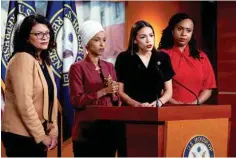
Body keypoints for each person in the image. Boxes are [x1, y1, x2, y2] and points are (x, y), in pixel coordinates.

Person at [1, 14, 58, 157]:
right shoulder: (22, 58)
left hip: (36, 133)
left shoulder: (43, 61)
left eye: (47, 33)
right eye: (39, 34)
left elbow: (51, 98)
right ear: (26, 37)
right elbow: (24, 104)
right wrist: (41, 135)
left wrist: (53, 129)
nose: (45, 37)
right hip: (21, 136)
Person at [69, 20, 120, 157]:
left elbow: (116, 100)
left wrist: (115, 92)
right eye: (97, 40)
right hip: (87, 131)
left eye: (104, 40)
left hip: (109, 129)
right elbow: (76, 101)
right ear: (87, 43)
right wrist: (103, 91)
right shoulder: (77, 68)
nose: (102, 44)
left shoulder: (109, 67)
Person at [158, 13, 216, 105]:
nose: (184, 34)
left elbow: (208, 88)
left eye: (188, 31)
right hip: (167, 110)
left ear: (192, 33)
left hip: (194, 111)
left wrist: (194, 104)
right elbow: (156, 87)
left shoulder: (201, 57)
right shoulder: (161, 55)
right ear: (172, 30)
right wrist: (176, 104)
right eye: (179, 29)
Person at [115, 20, 174, 107]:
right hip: (131, 110)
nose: (148, 40)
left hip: (156, 110)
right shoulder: (124, 58)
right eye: (143, 37)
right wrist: (136, 104)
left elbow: (168, 91)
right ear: (135, 40)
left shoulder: (163, 57)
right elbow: (120, 91)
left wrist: (160, 102)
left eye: (151, 35)